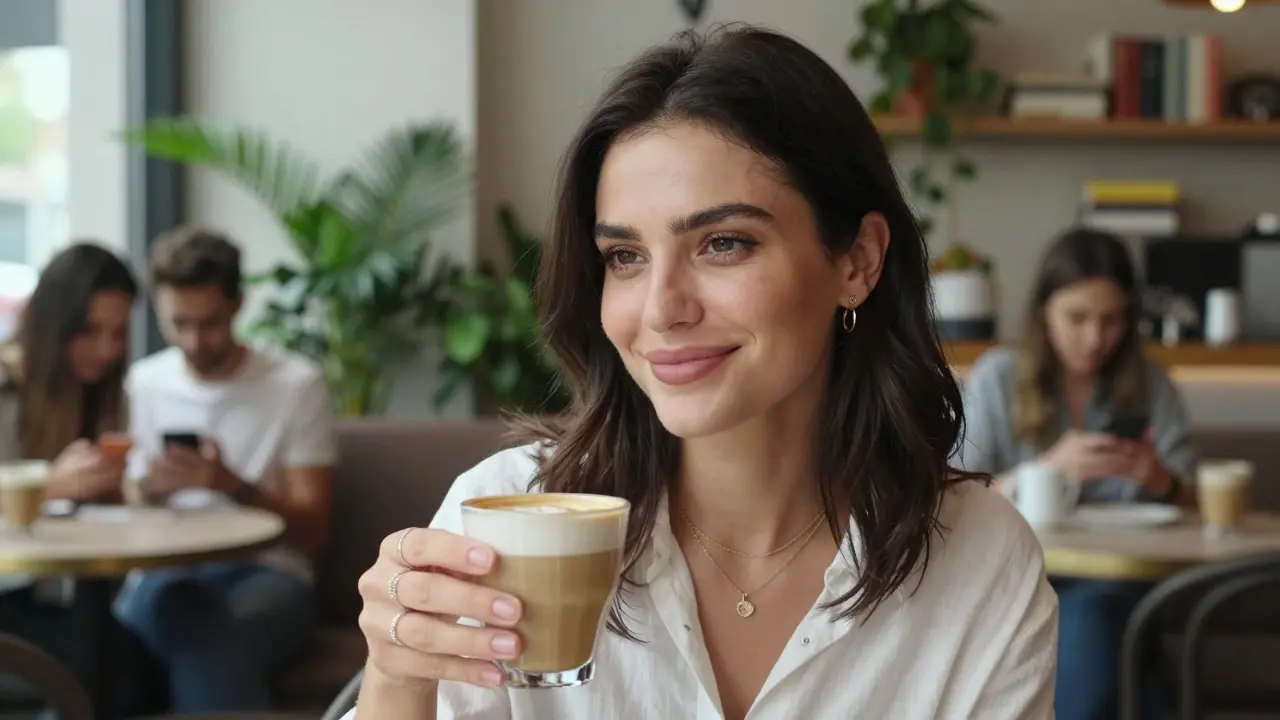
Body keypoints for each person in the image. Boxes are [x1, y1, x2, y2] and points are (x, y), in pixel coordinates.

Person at [344, 25, 1058, 720]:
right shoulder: (503, 515)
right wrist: (395, 680)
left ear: (857, 262)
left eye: (723, 244)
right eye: (625, 256)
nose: (661, 310)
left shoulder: (980, 559)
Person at [956, 227, 1197, 719]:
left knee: (1094, 618)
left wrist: (1160, 480)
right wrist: (1046, 470)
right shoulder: (999, 377)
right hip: (1023, 572)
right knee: (1104, 642)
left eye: (1111, 321)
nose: (1095, 339)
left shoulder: (1151, 384)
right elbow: (954, 495)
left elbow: (1197, 508)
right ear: (1044, 311)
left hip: (1127, 577)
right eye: (1077, 318)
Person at [113, 227, 336, 712]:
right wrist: (149, 487)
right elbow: (131, 493)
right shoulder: (144, 383)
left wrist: (230, 485)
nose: (194, 341)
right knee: (188, 612)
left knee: (191, 625)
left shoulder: (295, 386)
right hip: (163, 573)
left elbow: (314, 530)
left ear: (237, 305)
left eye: (209, 323)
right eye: (179, 323)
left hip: (268, 574)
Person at [0, 242, 162, 716]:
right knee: (106, 672)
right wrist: (49, 487)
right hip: (12, 592)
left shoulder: (109, 399)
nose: (107, 349)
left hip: (67, 589)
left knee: (144, 673)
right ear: (55, 325)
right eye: (90, 331)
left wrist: (122, 491)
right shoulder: (7, 387)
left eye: (118, 334)